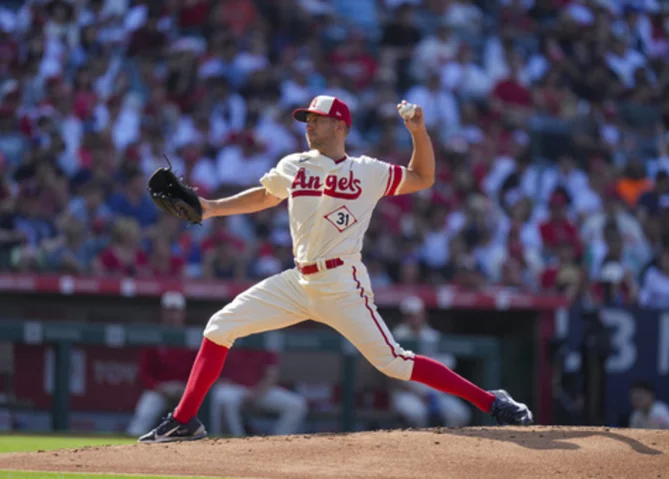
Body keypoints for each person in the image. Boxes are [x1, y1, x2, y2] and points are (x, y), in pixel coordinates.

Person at [138, 96, 532, 443]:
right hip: (297, 280)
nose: (308, 124)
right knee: (219, 326)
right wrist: (211, 207)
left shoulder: (368, 170)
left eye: (316, 118)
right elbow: (265, 195)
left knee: (393, 362)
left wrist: (418, 132)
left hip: (342, 282)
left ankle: (491, 401)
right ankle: (184, 421)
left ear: (340, 125)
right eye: (306, 119)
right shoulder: (294, 164)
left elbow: (423, 177)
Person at [390, 296, 471, 428]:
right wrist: (420, 394)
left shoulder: (433, 336)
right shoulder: (396, 337)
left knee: (460, 413)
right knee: (416, 413)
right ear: (404, 316)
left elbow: (448, 367)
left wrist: (435, 393)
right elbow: (392, 376)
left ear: (423, 315)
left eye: (417, 314)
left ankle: (446, 445)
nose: (414, 318)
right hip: (408, 393)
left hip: (436, 394)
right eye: (410, 315)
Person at [126, 291, 197, 437]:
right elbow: (144, 373)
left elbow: (199, 370)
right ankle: (131, 445)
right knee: (146, 410)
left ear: (183, 313)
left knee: (203, 407)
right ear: (162, 313)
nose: (172, 316)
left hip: (186, 391)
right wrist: (159, 388)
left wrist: (186, 388)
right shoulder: (154, 336)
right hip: (160, 390)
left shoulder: (192, 338)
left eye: (176, 311)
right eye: (169, 311)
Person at [210, 343, 308, 436]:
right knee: (224, 397)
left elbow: (271, 375)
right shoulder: (230, 339)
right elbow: (211, 369)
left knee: (297, 404)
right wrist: (220, 381)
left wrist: (257, 393)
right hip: (233, 389)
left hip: (260, 389)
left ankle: (278, 440)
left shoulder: (264, 342)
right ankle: (237, 439)